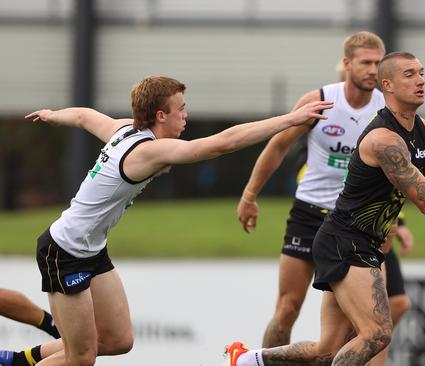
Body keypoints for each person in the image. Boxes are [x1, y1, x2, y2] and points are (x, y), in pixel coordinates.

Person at [0, 76, 332, 366]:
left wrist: (56, 115)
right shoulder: (147, 151)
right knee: (81, 357)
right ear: (161, 115)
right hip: (64, 252)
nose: (186, 115)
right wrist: (291, 119)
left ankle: (16, 360)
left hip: (91, 249)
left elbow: (85, 116)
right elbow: (223, 143)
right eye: (181, 109)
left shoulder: (124, 128)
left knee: (117, 341)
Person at [224, 52, 425, 366]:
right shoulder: (384, 140)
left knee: (326, 348)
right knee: (376, 334)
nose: (421, 80)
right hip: (345, 242)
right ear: (388, 86)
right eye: (409, 74)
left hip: (362, 243)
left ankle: (245, 359)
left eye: (421, 73)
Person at [236, 31, 424, 365]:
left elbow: (401, 173)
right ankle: (257, 361)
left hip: (361, 222)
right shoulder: (320, 101)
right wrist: (250, 195)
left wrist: (400, 221)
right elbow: (277, 146)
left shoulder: (391, 110)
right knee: (288, 308)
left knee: (388, 311)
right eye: (365, 62)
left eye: (377, 63)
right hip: (310, 213)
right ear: (347, 64)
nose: (371, 70)